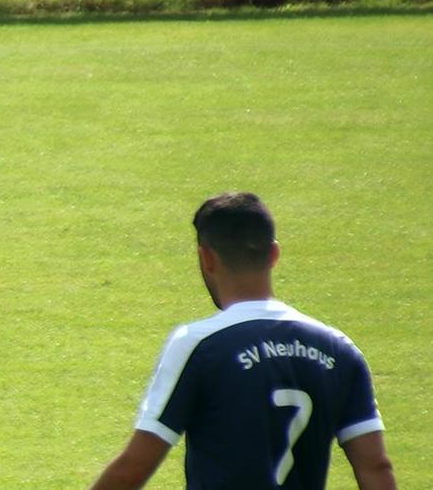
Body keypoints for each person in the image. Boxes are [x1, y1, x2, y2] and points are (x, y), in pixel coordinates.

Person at [88, 192, 397, 490]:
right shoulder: (339, 350)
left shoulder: (198, 345)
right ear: (274, 254)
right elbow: (376, 467)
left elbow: (134, 469)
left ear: (206, 258)